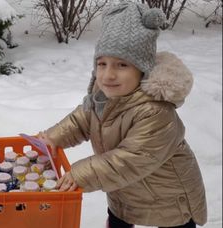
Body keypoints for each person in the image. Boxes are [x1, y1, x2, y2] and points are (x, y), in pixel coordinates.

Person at [37, 2, 207, 228]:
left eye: (122, 65)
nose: (108, 75)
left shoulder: (155, 111)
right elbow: (82, 119)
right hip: (125, 191)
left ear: (142, 69)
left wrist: (80, 174)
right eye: (102, 64)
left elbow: (130, 160)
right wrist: (53, 137)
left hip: (170, 197)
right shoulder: (105, 95)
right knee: (119, 218)